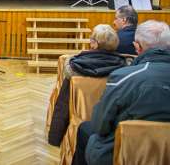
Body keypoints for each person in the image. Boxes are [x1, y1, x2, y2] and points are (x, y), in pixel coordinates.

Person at [72, 20, 170, 165]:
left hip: (123, 153)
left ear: (138, 47)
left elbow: (100, 125)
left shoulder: (123, 77)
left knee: (86, 130)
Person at [48, 24, 129, 146]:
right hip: (110, 123)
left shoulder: (75, 66)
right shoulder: (125, 67)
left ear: (94, 44)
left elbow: (63, 105)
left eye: (91, 38)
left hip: (82, 120)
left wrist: (54, 139)